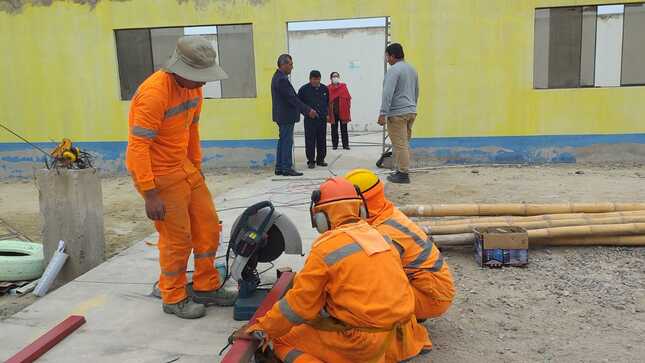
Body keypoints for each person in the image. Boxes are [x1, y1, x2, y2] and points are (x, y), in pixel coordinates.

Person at [239, 177, 432, 362]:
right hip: (403, 335)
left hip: (365, 344)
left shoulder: (326, 249)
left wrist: (262, 328)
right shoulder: (382, 237)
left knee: (280, 339)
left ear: (321, 218)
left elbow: (298, 306)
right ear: (360, 209)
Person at [126, 36, 237, 319]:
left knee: (208, 227)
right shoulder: (154, 94)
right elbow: (137, 147)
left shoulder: (193, 92)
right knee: (178, 239)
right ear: (179, 71)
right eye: (198, 77)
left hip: (185, 169)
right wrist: (149, 193)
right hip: (161, 176)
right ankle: (173, 297)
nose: (203, 83)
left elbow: (192, 132)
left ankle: (205, 286)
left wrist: (197, 167)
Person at [345, 169, 455, 320]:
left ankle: (403, 321)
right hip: (433, 290)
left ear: (361, 204)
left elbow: (376, 276)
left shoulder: (384, 234)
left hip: (431, 298)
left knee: (357, 293)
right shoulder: (386, 213)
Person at [378, 43, 419, 184]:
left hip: (397, 113)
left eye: (387, 56)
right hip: (411, 111)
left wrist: (383, 113)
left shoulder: (394, 70)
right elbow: (416, 91)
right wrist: (412, 107)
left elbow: (387, 93)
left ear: (393, 56)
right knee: (405, 144)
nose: (387, 59)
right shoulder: (412, 69)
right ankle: (401, 170)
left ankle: (403, 174)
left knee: (400, 144)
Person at [271, 54, 318, 176]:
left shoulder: (278, 77)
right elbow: (292, 99)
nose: (292, 67)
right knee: (287, 141)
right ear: (283, 64)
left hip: (281, 115)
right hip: (285, 116)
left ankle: (280, 167)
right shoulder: (281, 80)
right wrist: (308, 111)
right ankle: (286, 168)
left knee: (283, 140)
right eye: (290, 64)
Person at [298, 70, 329, 169]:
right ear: (310, 79)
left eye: (318, 79)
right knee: (310, 140)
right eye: (314, 79)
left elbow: (327, 102)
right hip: (310, 120)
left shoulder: (325, 89)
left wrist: (327, 114)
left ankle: (321, 159)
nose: (316, 81)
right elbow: (299, 104)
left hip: (322, 119)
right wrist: (306, 113)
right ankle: (311, 161)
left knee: (322, 139)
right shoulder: (303, 90)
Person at [328, 72, 352, 150]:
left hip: (343, 111)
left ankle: (346, 145)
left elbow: (348, 98)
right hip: (333, 112)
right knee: (334, 130)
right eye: (334, 76)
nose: (335, 77)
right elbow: (327, 100)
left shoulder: (343, 87)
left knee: (344, 129)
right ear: (331, 78)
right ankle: (335, 145)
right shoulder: (328, 88)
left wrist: (348, 109)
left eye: (337, 76)